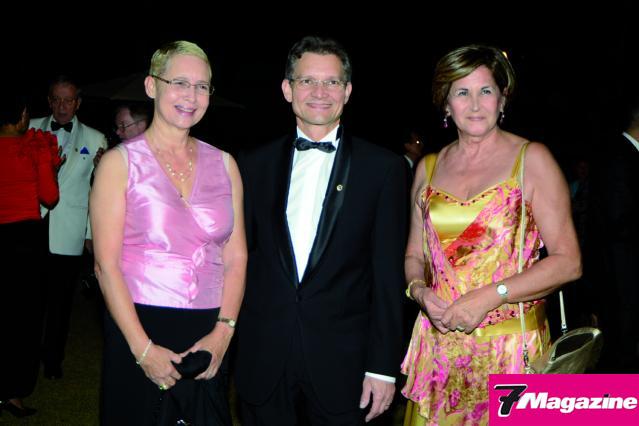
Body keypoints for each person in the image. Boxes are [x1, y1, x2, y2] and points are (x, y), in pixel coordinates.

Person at [401, 45, 581, 425]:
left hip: (512, 353)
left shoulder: (532, 160)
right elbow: (414, 256)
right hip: (439, 356)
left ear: (502, 99)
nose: (475, 104)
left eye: (485, 90)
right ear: (445, 104)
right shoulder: (427, 169)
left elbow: (569, 263)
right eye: (461, 92)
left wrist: (491, 295)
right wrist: (420, 292)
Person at [235, 35, 407, 425]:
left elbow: (387, 277)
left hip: (344, 366)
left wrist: (382, 367)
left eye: (331, 82)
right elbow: (239, 261)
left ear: (347, 91)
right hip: (264, 360)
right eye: (307, 80)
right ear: (287, 89)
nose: (319, 92)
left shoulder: (383, 169)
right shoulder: (252, 165)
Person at [90, 40, 246, 425]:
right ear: (151, 86)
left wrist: (223, 333)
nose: (191, 95)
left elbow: (236, 257)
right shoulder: (119, 164)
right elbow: (106, 266)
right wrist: (143, 350)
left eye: (202, 86)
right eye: (179, 82)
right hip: (139, 326)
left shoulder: (226, 164)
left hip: (207, 335)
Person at [29, 75, 108, 379]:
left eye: (69, 100)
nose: (62, 106)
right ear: (49, 102)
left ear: (78, 103)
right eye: (57, 99)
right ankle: (25, 356)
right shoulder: (27, 128)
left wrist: (90, 233)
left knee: (61, 303)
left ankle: (53, 360)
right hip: (30, 227)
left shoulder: (96, 139)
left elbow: (97, 191)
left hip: (70, 232)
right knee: (29, 301)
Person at [0, 89, 61, 417]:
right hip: (24, 241)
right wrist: (50, 165)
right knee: (24, 320)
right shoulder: (33, 147)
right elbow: (50, 198)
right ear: (23, 115)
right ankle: (13, 394)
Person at [587, 97, 639, 372]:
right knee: (623, 353)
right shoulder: (618, 158)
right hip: (621, 278)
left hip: (625, 275)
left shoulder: (626, 156)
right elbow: (615, 222)